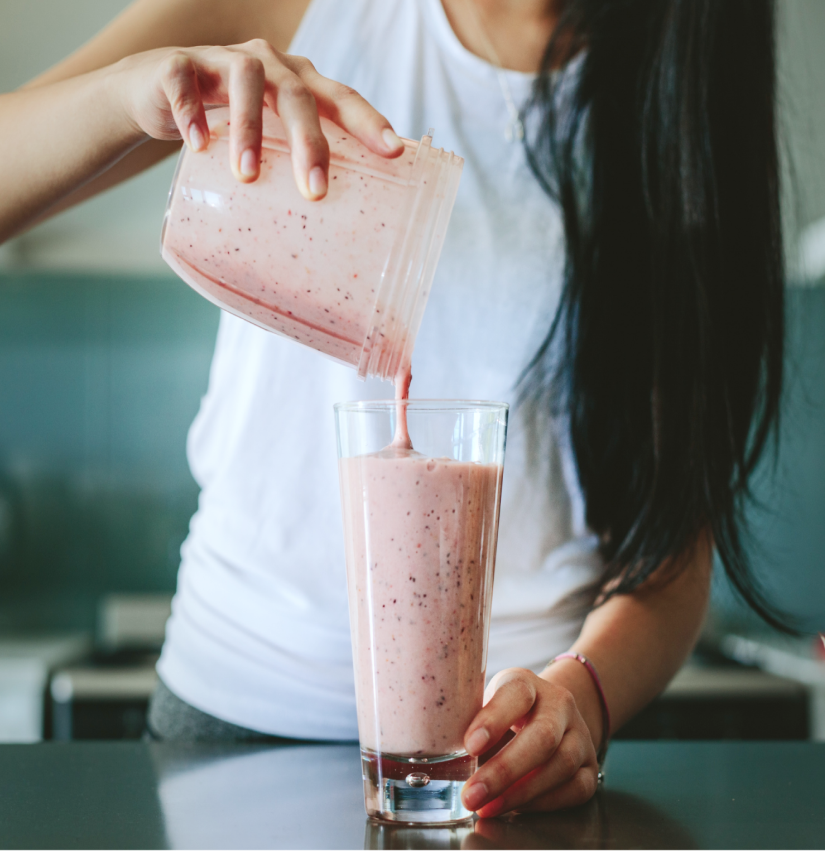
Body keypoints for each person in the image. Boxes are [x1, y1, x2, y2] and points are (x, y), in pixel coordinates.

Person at [0, 0, 786, 817]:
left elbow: (670, 555)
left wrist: (579, 696)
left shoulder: (678, 104)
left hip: (498, 766)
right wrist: (127, 94)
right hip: (229, 732)